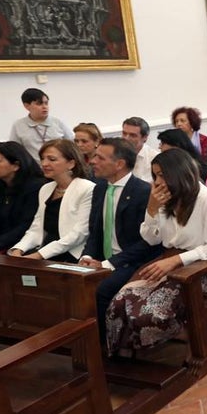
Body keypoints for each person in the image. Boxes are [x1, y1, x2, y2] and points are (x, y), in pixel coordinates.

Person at [104, 149, 207, 355]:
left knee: (148, 313)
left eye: (162, 175)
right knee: (118, 304)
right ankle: (127, 355)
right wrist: (152, 210)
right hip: (168, 262)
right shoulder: (165, 198)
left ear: (177, 172)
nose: (158, 182)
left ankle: (191, 337)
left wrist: (176, 260)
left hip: (200, 269)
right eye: (155, 176)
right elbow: (152, 239)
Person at [77, 138, 161, 344]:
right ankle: (78, 341)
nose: (93, 161)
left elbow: (147, 242)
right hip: (103, 259)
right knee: (71, 281)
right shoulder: (99, 188)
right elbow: (95, 231)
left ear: (119, 164)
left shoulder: (143, 192)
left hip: (132, 261)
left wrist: (108, 264)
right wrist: (87, 256)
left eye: (100, 158)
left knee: (102, 289)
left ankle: (102, 347)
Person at [8, 139, 94, 262]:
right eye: (42, 159)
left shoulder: (86, 188)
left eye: (52, 159)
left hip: (72, 253)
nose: (44, 164)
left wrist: (39, 255)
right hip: (46, 249)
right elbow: (37, 228)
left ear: (71, 163)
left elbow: (79, 234)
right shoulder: (46, 189)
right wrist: (18, 249)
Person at [10, 88, 71, 156]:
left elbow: (72, 143)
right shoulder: (18, 125)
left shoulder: (58, 122)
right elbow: (14, 150)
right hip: (33, 162)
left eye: (46, 103)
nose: (44, 107)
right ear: (26, 106)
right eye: (39, 104)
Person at [121, 116, 158, 183]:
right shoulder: (115, 153)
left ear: (145, 138)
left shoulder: (154, 158)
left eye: (132, 135)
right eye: (124, 133)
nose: (126, 138)